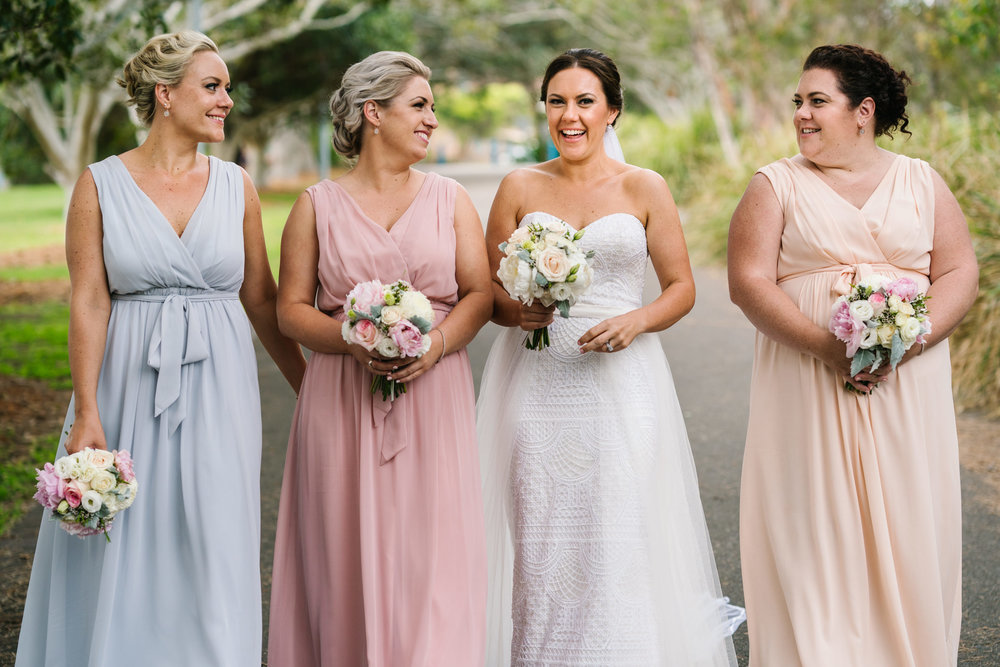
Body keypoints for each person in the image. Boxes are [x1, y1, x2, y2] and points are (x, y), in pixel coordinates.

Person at [15, 30, 306, 666]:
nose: (227, 99)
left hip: (220, 387)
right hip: (124, 382)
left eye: (227, 87)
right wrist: (87, 410)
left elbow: (260, 298)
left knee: (213, 533)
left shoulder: (237, 186)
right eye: (213, 86)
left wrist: (308, 385)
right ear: (165, 94)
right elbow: (89, 299)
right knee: (124, 534)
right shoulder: (99, 186)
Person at [478, 48, 743, 666]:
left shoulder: (644, 186)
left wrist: (637, 320)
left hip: (623, 383)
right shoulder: (520, 185)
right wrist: (521, 311)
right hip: (538, 383)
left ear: (612, 111)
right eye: (557, 102)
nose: (569, 116)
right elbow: (488, 292)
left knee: (621, 535)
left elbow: (682, 288)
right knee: (543, 539)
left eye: (584, 102)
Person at [728, 44, 978, 666]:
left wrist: (910, 343)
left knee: (908, 525)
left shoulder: (920, 180)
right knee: (816, 531)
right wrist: (827, 350)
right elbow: (747, 282)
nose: (802, 115)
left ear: (862, 110)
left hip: (905, 385)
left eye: (817, 101)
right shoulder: (775, 184)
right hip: (808, 381)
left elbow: (959, 271)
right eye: (798, 102)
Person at [267, 51, 492, 666]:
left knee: (433, 555)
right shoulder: (315, 206)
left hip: (434, 394)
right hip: (341, 397)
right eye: (419, 105)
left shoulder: (451, 199)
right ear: (373, 112)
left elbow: (478, 294)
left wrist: (437, 344)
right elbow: (291, 310)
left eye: (433, 108)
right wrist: (356, 340)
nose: (432, 120)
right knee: (343, 555)